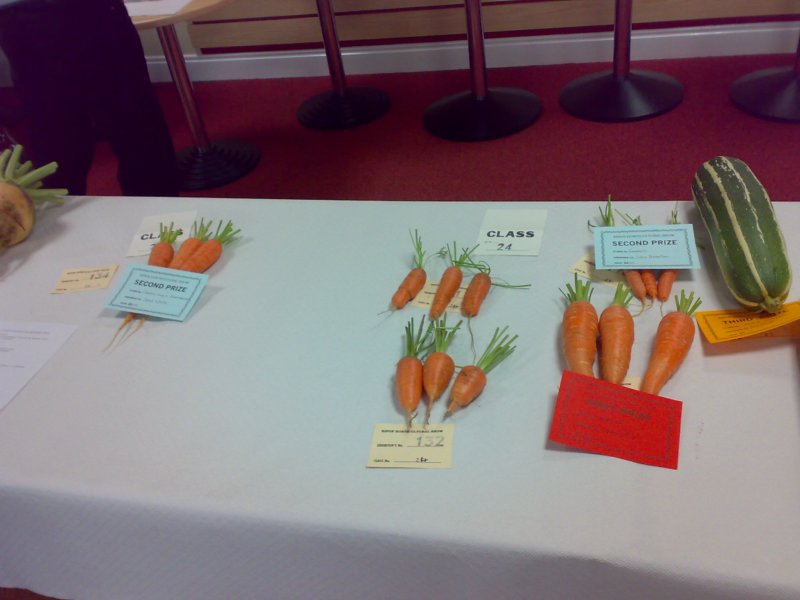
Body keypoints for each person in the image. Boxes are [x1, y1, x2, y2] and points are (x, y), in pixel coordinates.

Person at [0, 0, 180, 196]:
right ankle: (160, 207)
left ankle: (62, 209)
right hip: (52, 15)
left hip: (23, 18)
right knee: (132, 127)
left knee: (57, 135)